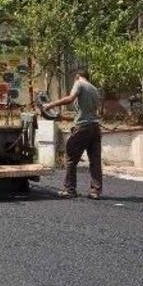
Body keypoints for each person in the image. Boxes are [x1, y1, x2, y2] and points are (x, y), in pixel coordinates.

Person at [43, 70, 102, 199]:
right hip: (95, 128)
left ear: (77, 76)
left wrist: (50, 105)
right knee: (95, 161)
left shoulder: (79, 83)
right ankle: (95, 191)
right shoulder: (94, 89)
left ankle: (69, 190)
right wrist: (63, 117)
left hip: (83, 129)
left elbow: (70, 99)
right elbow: (87, 113)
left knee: (70, 158)